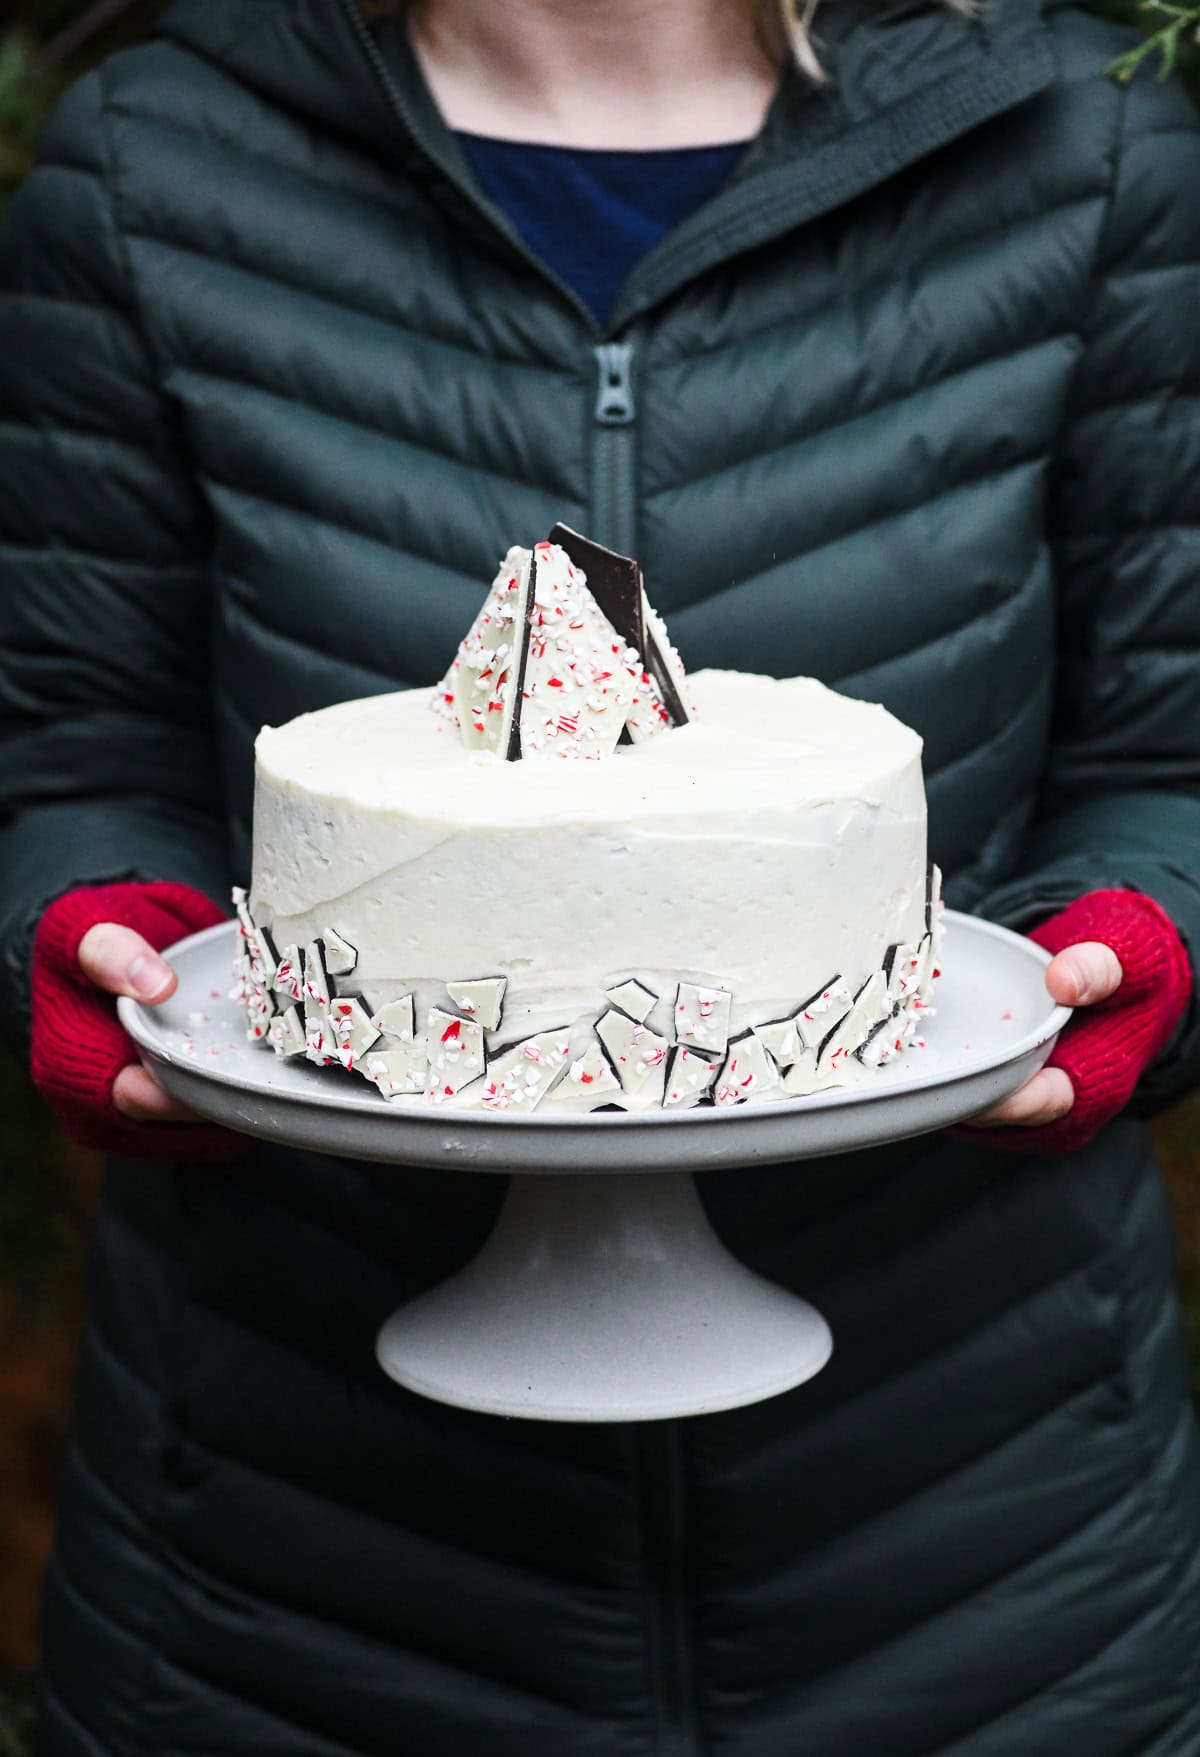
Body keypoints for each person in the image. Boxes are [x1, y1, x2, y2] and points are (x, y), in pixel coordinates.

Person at [2, 0, 1199, 1749]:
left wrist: (1137, 955)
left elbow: (1173, 751)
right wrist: (111, 940)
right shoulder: (148, 167)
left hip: (982, 1549)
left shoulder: (1083, 147)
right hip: (281, 1567)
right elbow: (71, 741)